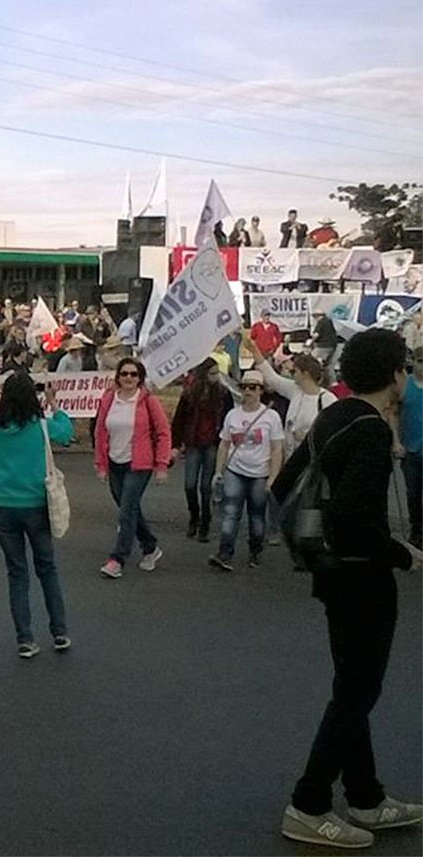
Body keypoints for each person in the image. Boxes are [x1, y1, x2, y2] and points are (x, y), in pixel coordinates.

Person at [271, 328, 423, 848]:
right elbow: (356, 519)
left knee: (351, 688)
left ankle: (365, 796)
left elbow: (283, 485)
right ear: (396, 374)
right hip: (363, 577)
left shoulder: (333, 416)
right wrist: (403, 553)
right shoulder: (371, 430)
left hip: (331, 573)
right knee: (358, 692)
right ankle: (309, 802)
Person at [0, 372, 74, 659]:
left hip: (3, 505)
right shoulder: (41, 426)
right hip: (35, 503)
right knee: (47, 568)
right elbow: (66, 431)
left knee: (17, 572)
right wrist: (53, 403)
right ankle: (59, 631)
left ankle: (25, 638)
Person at [93, 358, 171, 578]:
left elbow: (163, 432)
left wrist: (162, 465)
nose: (129, 378)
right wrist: (101, 464)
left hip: (139, 464)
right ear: (118, 377)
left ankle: (117, 559)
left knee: (126, 511)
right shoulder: (109, 399)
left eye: (133, 374)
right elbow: (100, 432)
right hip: (114, 462)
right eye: (124, 373)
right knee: (129, 508)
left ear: (140, 378)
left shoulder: (148, 401)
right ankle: (150, 546)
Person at [209, 370, 283, 571]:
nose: (248, 391)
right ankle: (225, 553)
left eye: (253, 387)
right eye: (244, 387)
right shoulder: (232, 415)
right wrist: (219, 471)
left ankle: (255, 550)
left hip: (260, 472)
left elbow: (277, 448)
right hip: (235, 470)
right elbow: (224, 444)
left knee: (257, 514)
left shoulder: (271, 416)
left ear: (261, 390)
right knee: (230, 512)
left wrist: (273, 477)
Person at [171, 359, 233, 542]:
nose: (215, 376)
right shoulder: (190, 394)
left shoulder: (223, 394)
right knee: (189, 485)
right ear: (203, 374)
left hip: (213, 443)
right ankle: (194, 515)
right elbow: (179, 420)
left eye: (216, 373)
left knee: (206, 486)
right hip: (193, 443)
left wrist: (226, 442)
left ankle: (205, 522)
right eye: (212, 373)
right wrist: (176, 443)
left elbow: (228, 419)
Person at [399, 348, 422, 548]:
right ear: (412, 362)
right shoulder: (405, 386)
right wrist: (395, 441)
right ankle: (416, 529)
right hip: (411, 448)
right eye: (420, 361)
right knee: (413, 492)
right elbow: (393, 412)